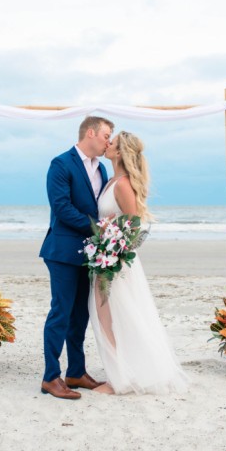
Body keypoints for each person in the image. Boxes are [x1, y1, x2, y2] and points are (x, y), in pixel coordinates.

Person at [89, 131, 189, 395]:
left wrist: (111, 242)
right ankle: (119, 373)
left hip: (116, 263)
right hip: (106, 257)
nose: (107, 144)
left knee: (116, 318)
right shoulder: (112, 180)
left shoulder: (122, 184)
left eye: (112, 142)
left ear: (120, 152)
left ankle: (118, 380)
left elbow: (133, 224)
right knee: (108, 318)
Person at [39, 116, 114, 400]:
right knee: (61, 312)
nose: (108, 141)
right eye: (106, 135)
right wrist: (98, 227)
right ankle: (50, 377)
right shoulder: (61, 164)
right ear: (91, 132)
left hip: (90, 253)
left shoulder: (103, 168)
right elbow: (61, 207)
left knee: (80, 315)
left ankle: (76, 371)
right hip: (62, 251)